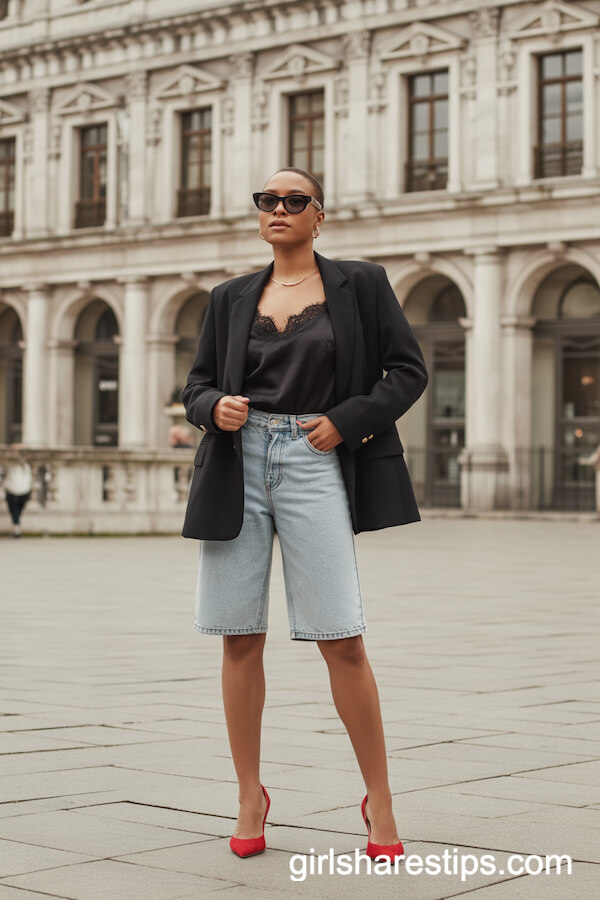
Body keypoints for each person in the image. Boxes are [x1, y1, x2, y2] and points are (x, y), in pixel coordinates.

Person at [181, 167, 429, 861]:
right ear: (259, 215)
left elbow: (406, 371)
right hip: (238, 461)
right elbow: (196, 385)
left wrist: (347, 422)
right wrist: (213, 408)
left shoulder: (362, 284)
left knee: (341, 636)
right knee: (238, 635)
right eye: (269, 200)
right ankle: (248, 795)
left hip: (317, 460)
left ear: (320, 216)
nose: (280, 208)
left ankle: (379, 801)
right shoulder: (229, 297)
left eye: (296, 200)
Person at [3, 449, 33, 538]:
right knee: (17, 512)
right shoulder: (25, 467)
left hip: (16, 492)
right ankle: (17, 528)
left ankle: (16, 528)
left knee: (15, 511)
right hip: (20, 492)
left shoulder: (14, 466)